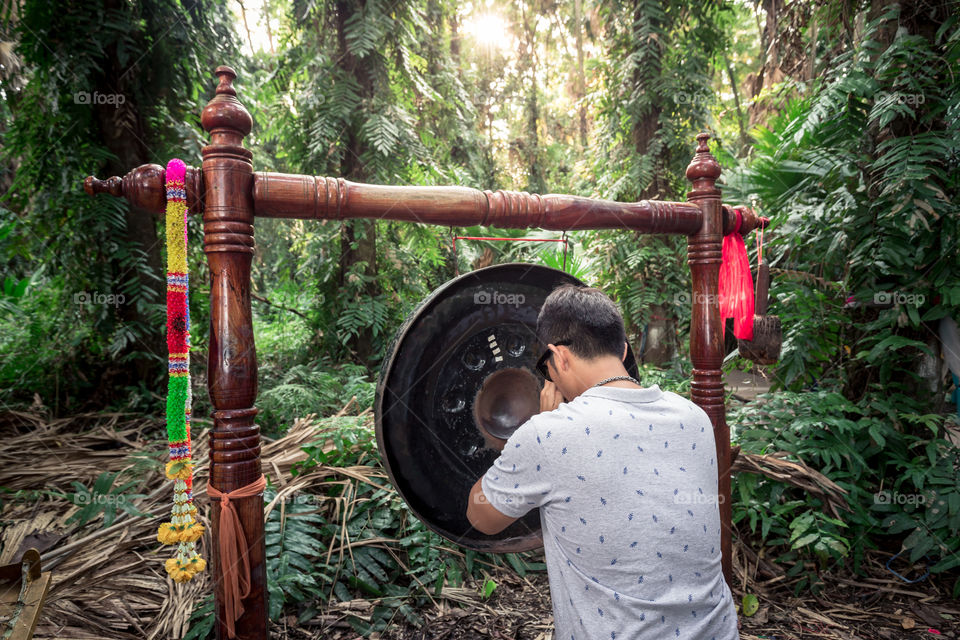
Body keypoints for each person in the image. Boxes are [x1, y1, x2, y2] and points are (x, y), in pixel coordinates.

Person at [465, 283, 739, 639]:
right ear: (623, 350)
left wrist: (535, 430)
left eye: (546, 367)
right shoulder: (695, 418)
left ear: (558, 357)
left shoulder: (547, 434)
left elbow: (480, 516)